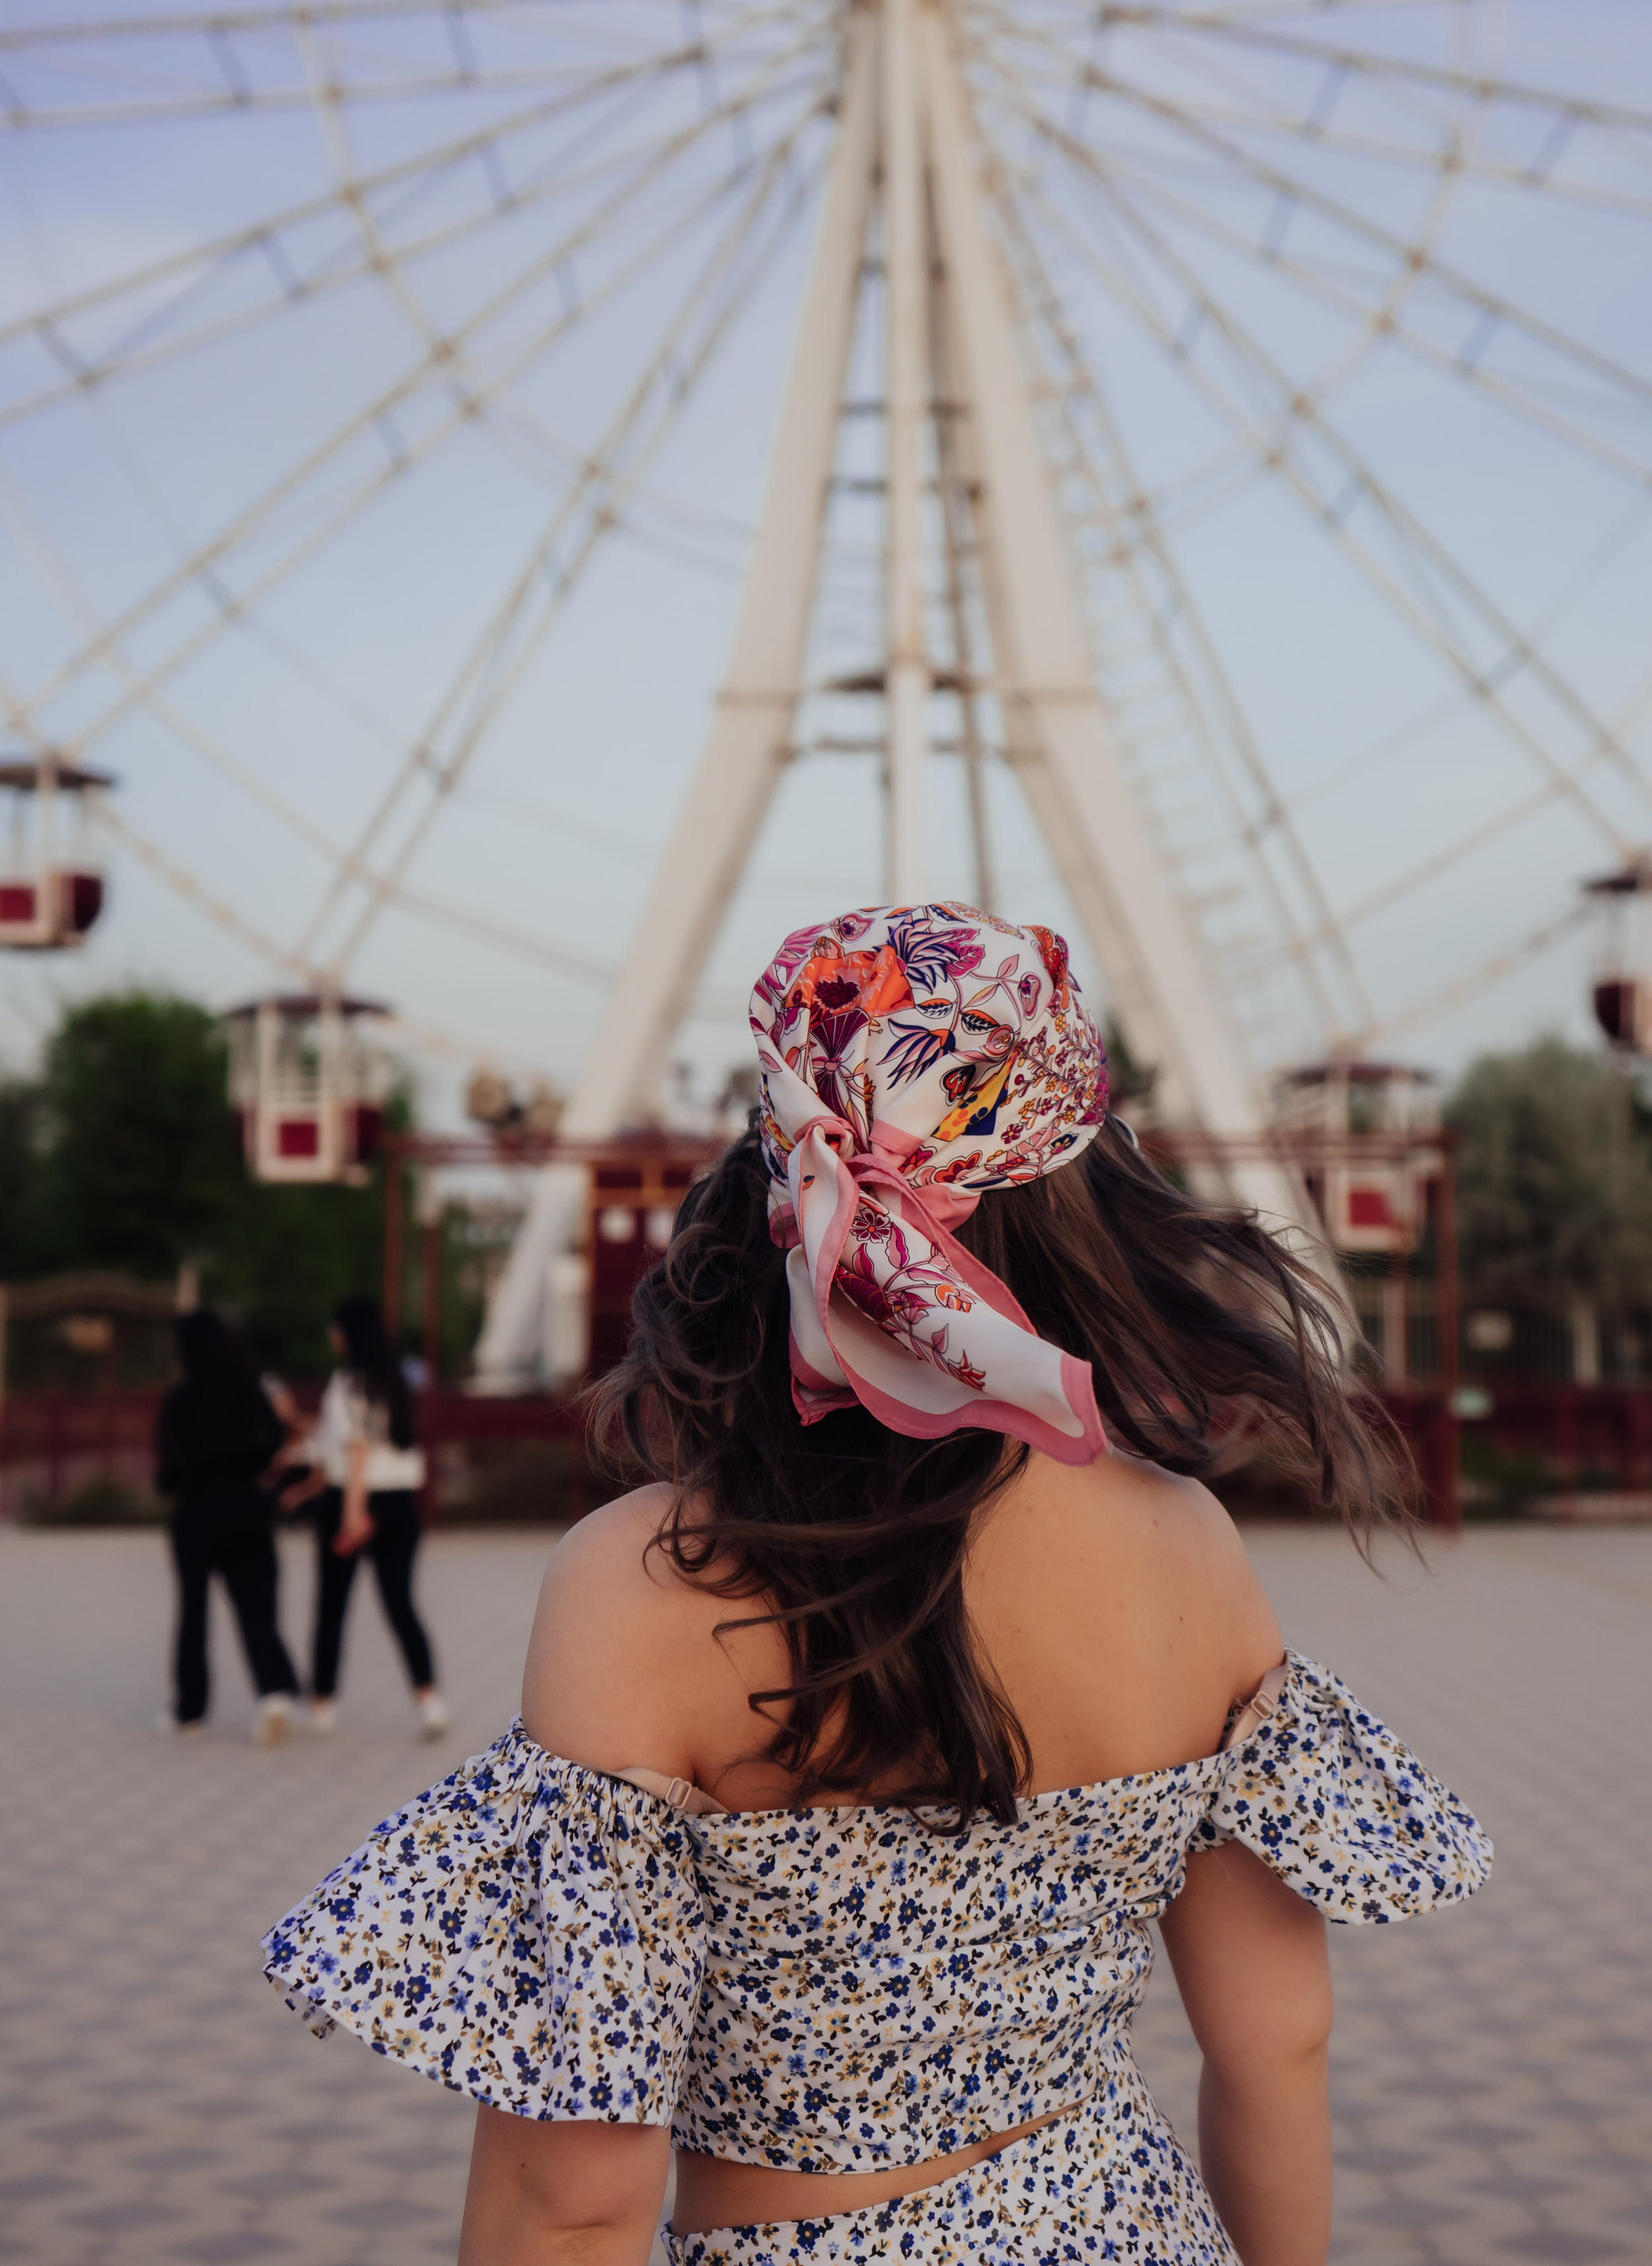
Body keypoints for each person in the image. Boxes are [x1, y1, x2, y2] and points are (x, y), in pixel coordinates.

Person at [264, 904, 1491, 2265]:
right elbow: (1275, 2045)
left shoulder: (641, 1587)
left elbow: (571, 2202)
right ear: (1078, 1193)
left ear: (773, 1171)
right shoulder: (1184, 1547)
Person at [305, 1294, 448, 1739]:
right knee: (400, 1604)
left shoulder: (349, 1382)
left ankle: (323, 1705)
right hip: (400, 1504)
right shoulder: (400, 1379)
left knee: (332, 1606)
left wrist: (353, 1512)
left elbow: (356, 1449)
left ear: (347, 1333)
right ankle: (430, 1702)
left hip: (353, 1499)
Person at [156, 1308, 299, 1743]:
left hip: (195, 1514)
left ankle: (190, 1710)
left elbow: (167, 1471)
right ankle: (273, 1694)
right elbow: (274, 1440)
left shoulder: (179, 1402)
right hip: (246, 1509)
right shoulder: (250, 1393)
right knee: (257, 1609)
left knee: (193, 1614)